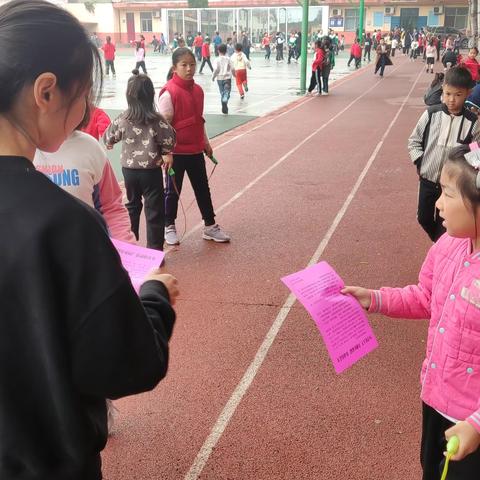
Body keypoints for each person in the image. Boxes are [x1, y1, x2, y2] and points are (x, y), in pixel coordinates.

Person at [0, 1, 179, 478]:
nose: (85, 111)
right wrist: (156, 297)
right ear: (45, 91)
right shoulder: (65, 224)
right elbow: (128, 363)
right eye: (84, 96)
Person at [343, 143, 480, 480]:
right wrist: (374, 299)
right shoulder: (447, 245)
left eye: (447, 193)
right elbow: (424, 297)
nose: (437, 204)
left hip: (471, 421)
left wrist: (476, 425)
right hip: (436, 400)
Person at [158, 47, 230, 244]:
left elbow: (199, 120)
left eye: (192, 64)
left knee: (202, 189)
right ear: (175, 67)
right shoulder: (168, 93)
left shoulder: (198, 91)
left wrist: (205, 142)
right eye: (184, 65)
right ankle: (169, 226)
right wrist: (166, 152)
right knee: (172, 191)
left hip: (196, 150)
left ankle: (210, 226)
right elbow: (163, 127)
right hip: (176, 154)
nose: (189, 69)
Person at [104, 70, 176, 251]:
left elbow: (108, 136)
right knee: (154, 209)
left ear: (129, 96)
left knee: (132, 206)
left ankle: (131, 250)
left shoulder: (123, 118)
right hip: (151, 171)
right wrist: (165, 151)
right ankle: (154, 251)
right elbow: (170, 138)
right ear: (151, 95)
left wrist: (110, 142)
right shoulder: (156, 120)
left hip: (129, 170)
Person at [408, 67, 480, 241]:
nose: (452, 100)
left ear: (467, 94)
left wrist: (467, 171)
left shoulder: (472, 122)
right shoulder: (431, 114)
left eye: (458, 95)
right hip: (428, 179)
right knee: (423, 218)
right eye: (447, 94)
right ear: (443, 90)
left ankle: (442, 245)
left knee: (445, 222)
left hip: (452, 184)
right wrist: (420, 162)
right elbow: (413, 141)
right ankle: (439, 242)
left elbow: (475, 152)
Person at [34, 128, 135, 244]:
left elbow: (110, 207)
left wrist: (125, 247)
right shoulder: (19, 149)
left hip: (86, 252)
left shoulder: (90, 147)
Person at [212, 43, 232, 114]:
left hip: (219, 78)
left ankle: (224, 108)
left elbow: (216, 69)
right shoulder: (228, 59)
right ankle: (226, 97)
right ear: (226, 51)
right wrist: (235, 75)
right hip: (227, 78)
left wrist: (213, 77)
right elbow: (232, 68)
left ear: (218, 51)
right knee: (227, 91)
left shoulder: (216, 60)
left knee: (222, 93)